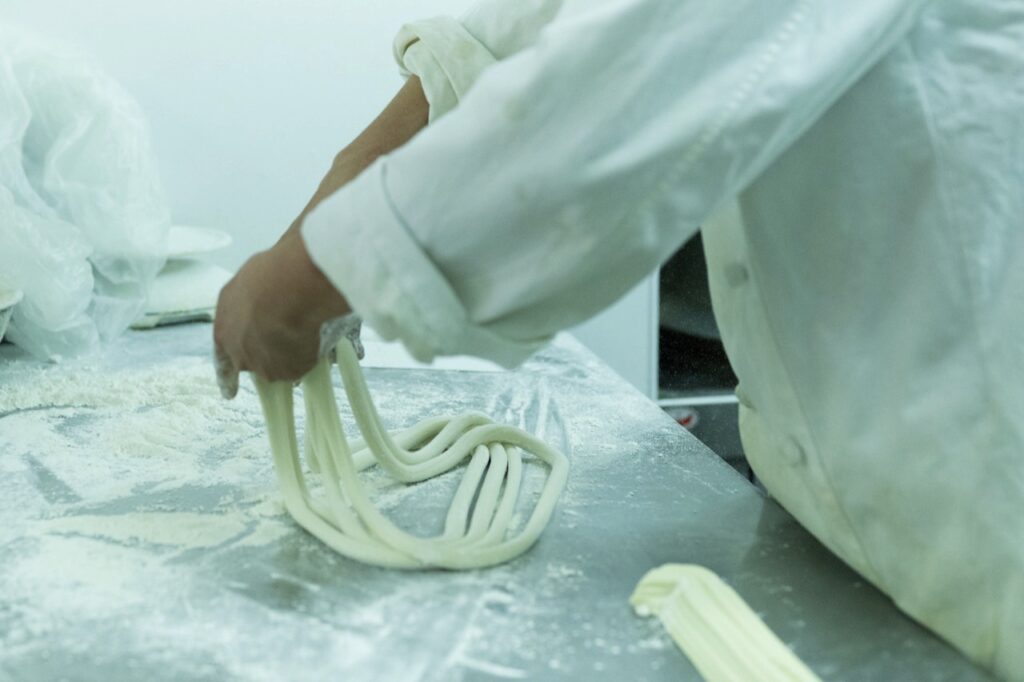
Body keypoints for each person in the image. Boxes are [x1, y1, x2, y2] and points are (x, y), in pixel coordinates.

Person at [213, 0, 1023, 678]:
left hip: (983, 498)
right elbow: (524, 31)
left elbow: (613, 102)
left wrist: (304, 282)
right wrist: (331, 207)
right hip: (861, 523)